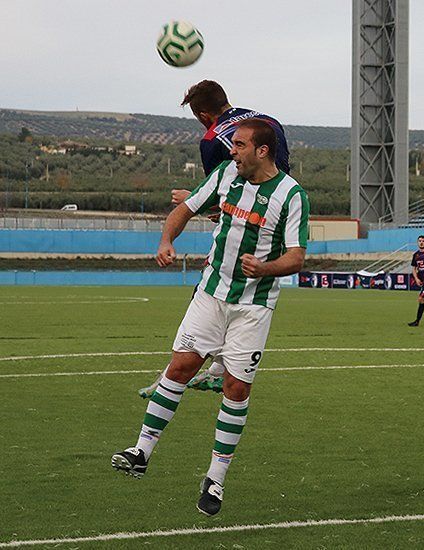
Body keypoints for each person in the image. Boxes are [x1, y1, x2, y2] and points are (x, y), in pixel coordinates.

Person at [112, 119, 310, 516]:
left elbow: (297, 256)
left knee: (236, 389)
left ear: (262, 150)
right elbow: (184, 209)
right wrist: (167, 240)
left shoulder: (291, 195)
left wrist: (266, 269)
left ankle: (215, 480)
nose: (231, 151)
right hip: (211, 295)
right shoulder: (224, 176)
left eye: (238, 145)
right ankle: (141, 451)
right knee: (181, 366)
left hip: (253, 307)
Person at [138, 80, 292, 398]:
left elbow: (219, 193)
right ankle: (219, 369)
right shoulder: (264, 122)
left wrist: (191, 198)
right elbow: (274, 176)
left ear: (203, 114)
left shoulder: (212, 139)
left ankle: (177, 373)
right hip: (277, 219)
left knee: (209, 294)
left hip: (244, 231)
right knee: (238, 298)